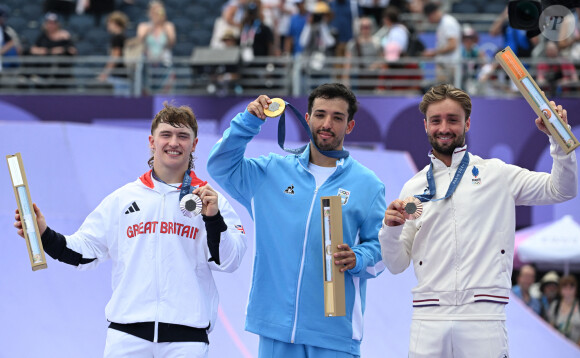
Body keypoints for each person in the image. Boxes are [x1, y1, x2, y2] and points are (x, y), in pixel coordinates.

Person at [13, 102, 247, 358]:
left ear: (195, 144)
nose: (174, 142)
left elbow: (229, 261)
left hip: (186, 340)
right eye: (166, 134)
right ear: (152, 141)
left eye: (183, 136)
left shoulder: (211, 200)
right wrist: (44, 234)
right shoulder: (123, 199)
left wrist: (213, 219)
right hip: (126, 338)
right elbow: (84, 251)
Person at [379, 83, 578, 358]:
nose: (444, 128)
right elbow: (396, 263)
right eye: (436, 120)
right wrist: (390, 231)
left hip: (483, 318)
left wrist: (559, 141)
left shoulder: (497, 174)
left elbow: (563, 189)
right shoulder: (413, 187)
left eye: (453, 120)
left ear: (468, 123)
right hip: (428, 321)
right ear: (425, 125)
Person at [207, 83, 387, 358]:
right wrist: (249, 122)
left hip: (334, 335)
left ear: (349, 126)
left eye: (337, 117)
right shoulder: (270, 172)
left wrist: (359, 257)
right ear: (307, 118)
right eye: (320, 114)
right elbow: (219, 164)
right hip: (275, 330)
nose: (327, 124)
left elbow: (383, 251)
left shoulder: (368, 185)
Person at [136, 0, 176, 93]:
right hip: (148, 64)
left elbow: (171, 43)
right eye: (154, 11)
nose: (156, 14)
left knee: (165, 92)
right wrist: (152, 26)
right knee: (147, 90)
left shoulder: (168, 26)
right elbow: (140, 41)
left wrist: (164, 26)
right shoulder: (144, 26)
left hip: (164, 64)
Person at [421, 2, 461, 83]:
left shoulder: (448, 23)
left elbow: (453, 45)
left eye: (429, 17)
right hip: (445, 65)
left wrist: (434, 52)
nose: (429, 21)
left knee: (449, 93)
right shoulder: (442, 24)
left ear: (432, 14)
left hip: (450, 65)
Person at [98, 11, 130, 96]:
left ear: (115, 23)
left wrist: (104, 74)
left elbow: (115, 57)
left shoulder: (117, 38)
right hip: (124, 76)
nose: (107, 25)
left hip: (118, 77)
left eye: (109, 23)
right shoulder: (123, 37)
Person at [548, 275, 580, 346]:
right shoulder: (555, 305)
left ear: (575, 289)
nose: (568, 291)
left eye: (571, 288)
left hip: (576, 346)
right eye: (565, 288)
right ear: (560, 290)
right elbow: (551, 326)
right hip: (558, 345)